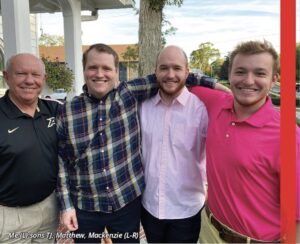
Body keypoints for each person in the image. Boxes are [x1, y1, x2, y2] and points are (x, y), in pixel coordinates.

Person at [55, 43, 216, 243]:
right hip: (87, 205)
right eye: (93, 68)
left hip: (130, 202)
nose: (100, 74)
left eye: (106, 68)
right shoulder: (68, 110)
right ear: (84, 70)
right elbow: (61, 160)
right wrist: (66, 205)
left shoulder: (128, 95)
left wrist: (217, 84)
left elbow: (175, 75)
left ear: (116, 72)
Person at [191, 40, 300, 242]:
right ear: (229, 75)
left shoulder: (288, 137)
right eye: (240, 72)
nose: (248, 81)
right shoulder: (217, 103)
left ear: (274, 79)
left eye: (260, 73)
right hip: (207, 229)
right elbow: (180, 78)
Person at [139, 45, 208, 243]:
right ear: (156, 72)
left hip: (186, 209)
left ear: (187, 72)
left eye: (177, 68)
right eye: (164, 68)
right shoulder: (143, 107)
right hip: (150, 206)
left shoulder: (201, 110)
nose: (170, 74)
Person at [0, 53, 60, 243]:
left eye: (36, 75)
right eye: (21, 74)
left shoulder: (55, 110)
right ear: (6, 76)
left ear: (44, 79)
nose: (29, 81)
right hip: (9, 217)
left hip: (49, 208)